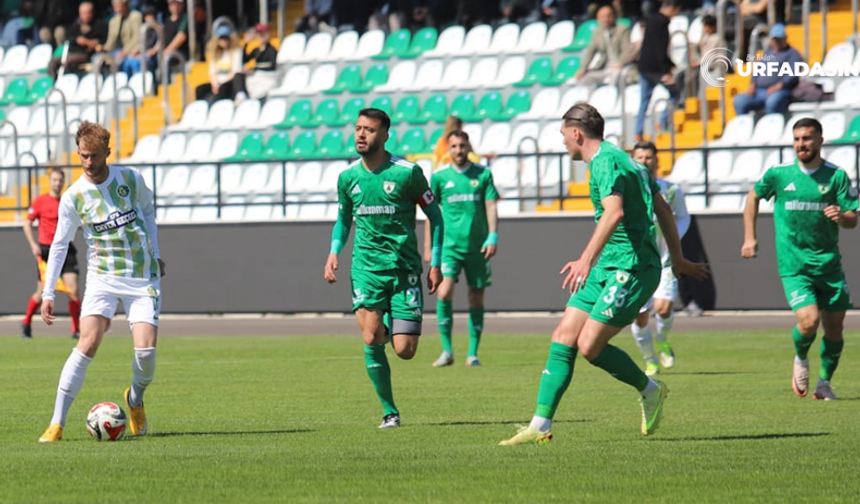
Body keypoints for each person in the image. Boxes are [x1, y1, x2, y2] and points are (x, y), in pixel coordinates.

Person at [499, 103, 708, 445]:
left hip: (631, 268)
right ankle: (540, 423)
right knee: (563, 335)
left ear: (576, 133)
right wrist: (679, 259)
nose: (563, 142)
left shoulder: (606, 162)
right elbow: (663, 208)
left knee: (590, 347)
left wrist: (584, 259)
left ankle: (651, 390)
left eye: (564, 135)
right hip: (608, 265)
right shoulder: (627, 160)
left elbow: (614, 213)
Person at [37, 121, 166, 443]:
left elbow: (149, 214)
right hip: (102, 276)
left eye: (94, 156)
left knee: (146, 351)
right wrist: (49, 290)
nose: (88, 163)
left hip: (140, 276)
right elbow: (59, 243)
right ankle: (57, 423)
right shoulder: (74, 197)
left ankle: (135, 399)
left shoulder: (131, 179)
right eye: (83, 156)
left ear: (107, 152)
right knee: (88, 341)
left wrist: (155, 253)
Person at [324, 108, 444, 429]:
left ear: (385, 135)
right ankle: (390, 412)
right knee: (370, 337)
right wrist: (334, 251)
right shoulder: (348, 178)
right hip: (366, 268)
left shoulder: (407, 173)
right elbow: (343, 220)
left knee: (404, 350)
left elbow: (436, 217)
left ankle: (391, 320)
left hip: (404, 270)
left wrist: (436, 262)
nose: (362, 135)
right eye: (358, 128)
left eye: (370, 130)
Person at [742, 117, 857, 401]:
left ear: (820, 140)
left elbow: (853, 218)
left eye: (807, 138)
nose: (801, 144)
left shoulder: (836, 176)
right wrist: (749, 237)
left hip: (829, 265)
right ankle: (801, 358)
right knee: (808, 322)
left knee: (834, 329)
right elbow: (753, 197)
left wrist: (841, 217)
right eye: (797, 139)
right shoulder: (780, 174)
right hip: (795, 266)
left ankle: (824, 383)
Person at [425, 131, 499, 368]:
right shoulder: (439, 178)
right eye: (454, 146)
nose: (458, 150)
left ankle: (472, 353)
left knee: (476, 296)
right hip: (449, 247)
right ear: (448, 149)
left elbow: (490, 206)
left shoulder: (483, 175)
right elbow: (431, 214)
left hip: (477, 247)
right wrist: (429, 246)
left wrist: (493, 236)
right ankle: (447, 351)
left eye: (462, 145)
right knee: (444, 293)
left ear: (468, 147)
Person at [629, 141, 690, 377]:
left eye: (648, 157)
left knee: (664, 309)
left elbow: (683, 218)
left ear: (657, 160)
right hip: (638, 263)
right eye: (639, 157)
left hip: (664, 261)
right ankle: (650, 359)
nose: (644, 161)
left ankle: (663, 339)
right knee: (640, 316)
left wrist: (673, 240)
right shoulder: (627, 191)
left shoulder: (671, 190)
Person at [21, 168, 82, 340]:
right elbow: (27, 223)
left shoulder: (68, 200)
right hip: (47, 250)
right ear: (50, 181)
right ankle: (26, 322)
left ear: (63, 181)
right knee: (42, 292)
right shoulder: (40, 201)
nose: (57, 183)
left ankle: (76, 329)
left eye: (60, 180)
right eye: (54, 179)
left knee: (73, 289)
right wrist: (33, 244)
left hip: (66, 248)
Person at [635, 0, 683, 141]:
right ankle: (662, 123)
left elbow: (650, 46)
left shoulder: (651, 20)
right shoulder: (662, 22)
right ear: (672, 8)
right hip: (656, 68)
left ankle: (638, 131)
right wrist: (666, 70)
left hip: (644, 66)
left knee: (644, 101)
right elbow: (660, 48)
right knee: (674, 94)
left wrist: (670, 63)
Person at [733, 23, 803, 116]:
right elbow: (758, 69)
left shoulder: (792, 54)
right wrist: (753, 84)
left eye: (779, 39)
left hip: (781, 91)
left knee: (773, 101)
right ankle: (745, 126)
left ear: (785, 38)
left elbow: (792, 74)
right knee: (739, 101)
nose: (776, 42)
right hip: (759, 90)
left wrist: (779, 86)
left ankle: (769, 125)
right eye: (774, 39)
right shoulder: (768, 53)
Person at [574, 4, 631, 89]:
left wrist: (620, 63)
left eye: (609, 16)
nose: (606, 19)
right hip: (603, 67)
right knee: (584, 79)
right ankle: (586, 101)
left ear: (614, 16)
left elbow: (627, 49)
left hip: (619, 67)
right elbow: (591, 51)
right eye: (602, 17)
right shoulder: (597, 31)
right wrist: (583, 68)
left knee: (616, 76)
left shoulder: (622, 29)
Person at [48, 2, 108, 79]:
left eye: (87, 13)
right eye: (83, 13)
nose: (85, 15)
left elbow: (103, 41)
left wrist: (89, 42)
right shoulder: (76, 25)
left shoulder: (99, 25)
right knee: (52, 62)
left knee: (68, 61)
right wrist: (77, 40)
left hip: (86, 55)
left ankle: (65, 81)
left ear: (92, 13)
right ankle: (54, 81)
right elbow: (68, 37)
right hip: (72, 52)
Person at [195, 24, 247, 104]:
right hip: (218, 82)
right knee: (200, 89)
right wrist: (215, 84)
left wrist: (222, 83)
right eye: (221, 38)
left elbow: (235, 70)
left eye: (226, 38)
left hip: (229, 82)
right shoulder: (215, 54)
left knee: (223, 89)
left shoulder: (236, 51)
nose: (223, 41)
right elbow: (213, 72)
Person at [98, 0, 143, 75]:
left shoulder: (136, 16)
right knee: (97, 59)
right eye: (115, 6)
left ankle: (119, 82)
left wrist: (125, 51)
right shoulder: (113, 20)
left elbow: (137, 39)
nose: (117, 9)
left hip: (130, 50)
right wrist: (103, 48)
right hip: (114, 51)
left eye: (119, 5)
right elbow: (110, 41)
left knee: (118, 61)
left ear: (125, 5)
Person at [242, 23, 278, 99]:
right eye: (259, 34)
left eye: (263, 33)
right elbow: (244, 60)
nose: (261, 36)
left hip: (267, 78)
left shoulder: (272, 50)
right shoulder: (256, 50)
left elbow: (273, 66)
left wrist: (255, 69)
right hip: (257, 77)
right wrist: (246, 44)